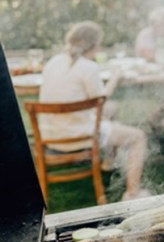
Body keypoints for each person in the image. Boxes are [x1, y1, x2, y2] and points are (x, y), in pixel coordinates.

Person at [39, 21, 149, 201]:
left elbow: (99, 106)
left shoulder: (53, 62)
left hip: (50, 135)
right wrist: (115, 78)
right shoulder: (88, 67)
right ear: (94, 45)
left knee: (113, 109)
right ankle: (133, 193)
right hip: (79, 136)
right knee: (138, 137)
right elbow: (100, 101)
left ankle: (108, 163)